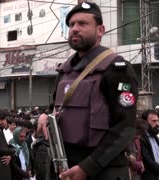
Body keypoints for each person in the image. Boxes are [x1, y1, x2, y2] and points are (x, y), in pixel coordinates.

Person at [41, 2, 138, 180]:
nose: (75, 29)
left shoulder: (117, 69)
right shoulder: (65, 70)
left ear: (100, 30)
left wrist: (89, 167)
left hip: (101, 170)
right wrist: (45, 116)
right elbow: (57, 109)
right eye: (71, 24)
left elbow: (126, 127)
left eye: (82, 24)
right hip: (64, 167)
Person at [140, 109, 159, 180]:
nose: (157, 124)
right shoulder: (141, 138)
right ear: (145, 122)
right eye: (154, 121)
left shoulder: (155, 137)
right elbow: (148, 162)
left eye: (158, 120)